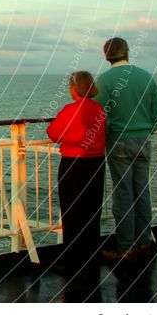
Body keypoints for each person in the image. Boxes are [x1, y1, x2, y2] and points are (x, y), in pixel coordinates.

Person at [93, 37, 157, 262]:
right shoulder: (145, 77)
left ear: (106, 56)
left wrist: (110, 133)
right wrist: (147, 130)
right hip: (142, 139)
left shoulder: (104, 80)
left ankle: (125, 248)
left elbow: (100, 115)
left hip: (119, 141)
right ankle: (144, 242)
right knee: (142, 192)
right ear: (127, 52)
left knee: (123, 194)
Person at [47, 71, 106, 273]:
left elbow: (54, 134)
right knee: (92, 210)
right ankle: (91, 256)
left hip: (73, 164)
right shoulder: (100, 109)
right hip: (96, 164)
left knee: (72, 212)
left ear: (75, 88)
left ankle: (73, 261)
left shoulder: (70, 110)